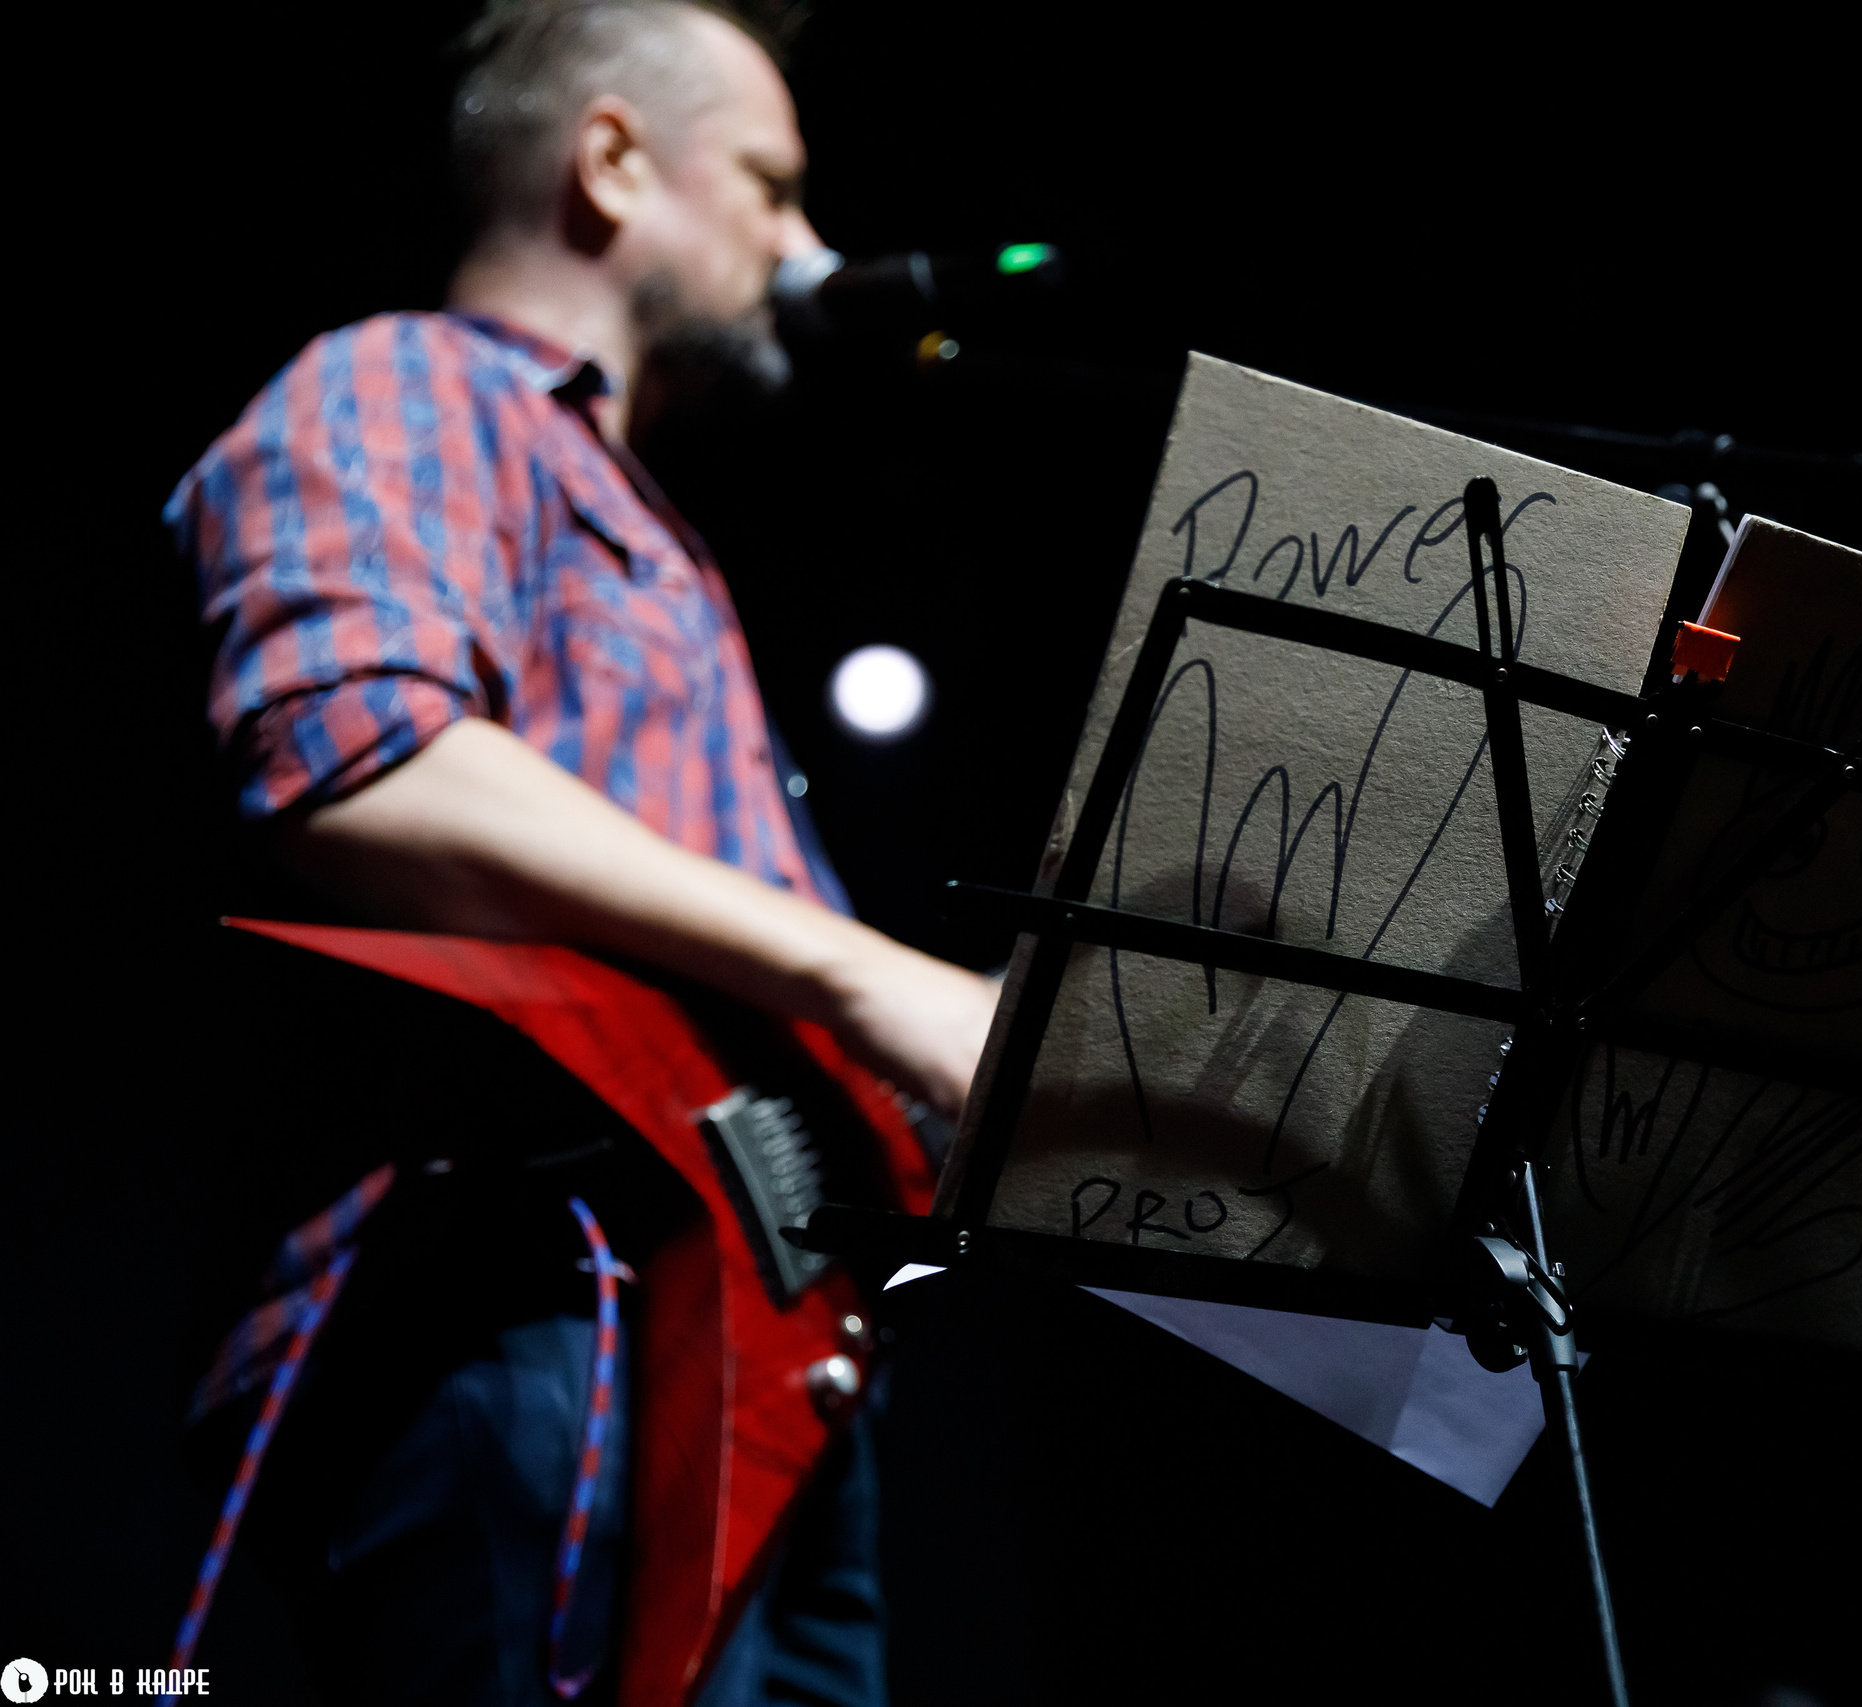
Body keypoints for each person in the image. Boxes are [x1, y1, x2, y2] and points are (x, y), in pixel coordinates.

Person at [162, 2, 997, 1700]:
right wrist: (869, 971)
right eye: (770, 185)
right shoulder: (403, 383)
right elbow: (362, 765)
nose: (804, 246)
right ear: (610, 161)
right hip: (543, 1309)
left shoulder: (650, 528)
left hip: (772, 1377)